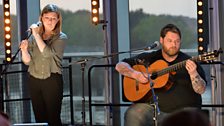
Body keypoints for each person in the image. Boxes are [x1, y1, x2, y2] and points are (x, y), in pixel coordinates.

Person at [115, 24, 207, 126]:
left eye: (177, 41)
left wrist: (193, 74)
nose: (174, 44)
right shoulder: (150, 58)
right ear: (161, 40)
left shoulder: (189, 62)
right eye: (170, 41)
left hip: (182, 112)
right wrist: (135, 74)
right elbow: (120, 65)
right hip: (154, 110)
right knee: (133, 113)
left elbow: (201, 90)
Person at [20, 4, 67, 126]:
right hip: (34, 80)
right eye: (47, 17)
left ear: (58, 20)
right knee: (40, 119)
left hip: (52, 80)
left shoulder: (61, 37)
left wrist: (36, 35)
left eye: (53, 18)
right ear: (41, 18)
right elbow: (27, 61)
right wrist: (24, 50)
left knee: (53, 118)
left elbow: (47, 53)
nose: (50, 21)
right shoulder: (33, 36)